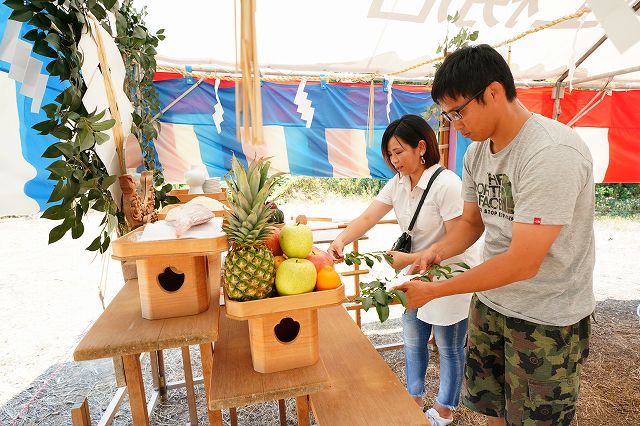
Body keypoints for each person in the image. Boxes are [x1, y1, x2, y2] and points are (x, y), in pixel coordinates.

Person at [392, 44, 595, 426]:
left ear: (494, 92)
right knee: (492, 410)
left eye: (459, 111)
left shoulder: (550, 152)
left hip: (546, 316)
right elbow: (471, 223)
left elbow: (523, 262)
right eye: (447, 114)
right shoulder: (476, 154)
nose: (455, 123)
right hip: (491, 304)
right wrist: (434, 253)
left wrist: (434, 291)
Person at [327, 114, 480, 426]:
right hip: (413, 273)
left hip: (450, 273)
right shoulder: (396, 184)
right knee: (413, 338)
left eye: (399, 152)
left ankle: (446, 407)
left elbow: (460, 240)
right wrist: (340, 240)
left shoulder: (446, 184)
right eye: (389, 154)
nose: (393, 160)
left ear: (421, 147)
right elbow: (369, 217)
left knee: (450, 346)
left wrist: (412, 260)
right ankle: (414, 398)